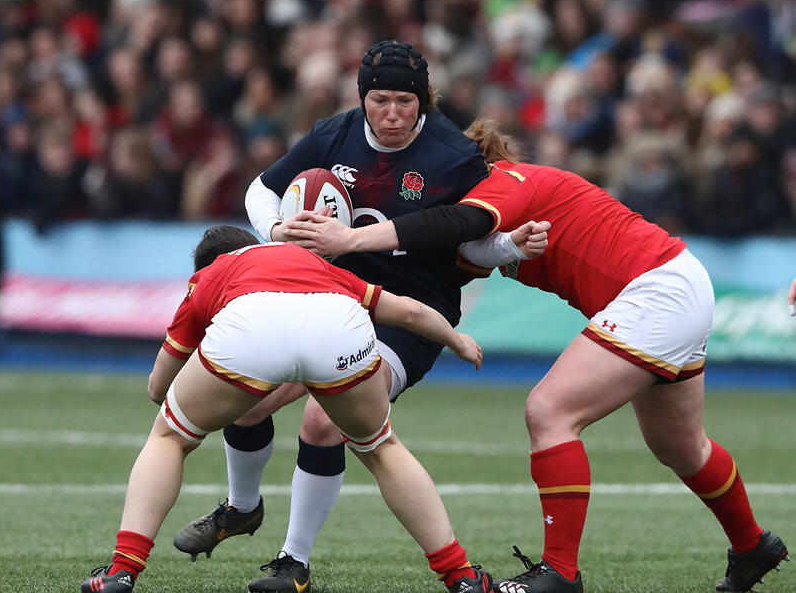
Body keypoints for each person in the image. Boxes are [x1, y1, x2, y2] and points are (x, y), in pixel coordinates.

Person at [283, 118, 790, 593]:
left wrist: (347, 238)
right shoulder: (487, 219)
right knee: (680, 446)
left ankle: (560, 575)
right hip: (673, 282)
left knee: (549, 412)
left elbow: (458, 219)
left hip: (655, 289)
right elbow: (459, 251)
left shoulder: (506, 179)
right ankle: (753, 545)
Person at [172, 40, 496, 593]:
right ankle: (241, 507)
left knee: (326, 420)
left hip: (408, 315)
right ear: (362, 99)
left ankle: (291, 563)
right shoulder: (334, 133)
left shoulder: (454, 156)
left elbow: (479, 237)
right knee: (243, 397)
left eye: (404, 102)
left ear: (423, 102)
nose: (391, 114)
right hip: (327, 297)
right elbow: (261, 189)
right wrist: (276, 231)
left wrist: (511, 245)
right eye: (379, 101)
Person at [80, 225, 495, 593]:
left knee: (169, 437)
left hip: (252, 329)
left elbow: (158, 386)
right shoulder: (307, 260)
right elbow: (407, 310)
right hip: (337, 326)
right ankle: (461, 576)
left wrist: (207, 390)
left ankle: (123, 571)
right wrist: (457, 341)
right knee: (382, 448)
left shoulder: (210, 276)